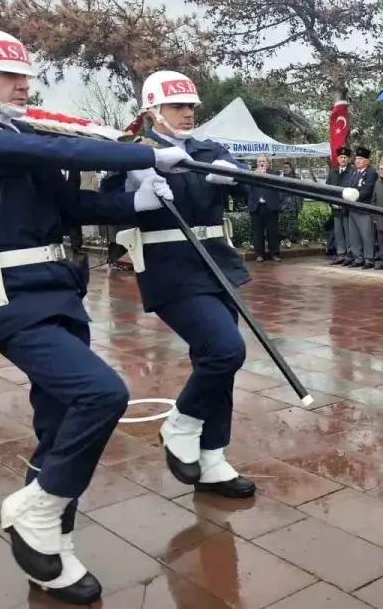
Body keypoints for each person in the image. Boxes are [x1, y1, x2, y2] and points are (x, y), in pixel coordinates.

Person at [0, 28, 189, 604]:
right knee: (99, 394)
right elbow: (55, 150)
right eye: (8, 76)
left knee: (57, 426)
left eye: (25, 75)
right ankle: (33, 513)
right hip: (10, 296)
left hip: (57, 287)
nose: (23, 85)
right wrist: (145, 151)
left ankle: (50, 548)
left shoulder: (14, 136)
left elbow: (72, 205)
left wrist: (137, 203)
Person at [107, 70, 256, 502]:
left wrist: (237, 177)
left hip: (216, 264)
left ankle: (213, 457)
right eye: (177, 107)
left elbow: (248, 192)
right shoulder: (135, 153)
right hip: (170, 267)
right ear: (152, 110)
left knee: (218, 364)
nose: (188, 113)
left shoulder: (209, 150)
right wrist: (134, 191)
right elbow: (109, 207)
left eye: (191, 106)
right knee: (226, 350)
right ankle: (181, 424)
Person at [247, 155, 282, 262]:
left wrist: (264, 174)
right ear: (256, 163)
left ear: (267, 163)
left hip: (270, 206)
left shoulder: (274, 173)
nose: (261, 163)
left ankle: (274, 254)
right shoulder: (251, 174)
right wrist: (256, 175)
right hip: (256, 206)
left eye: (263, 161)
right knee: (257, 232)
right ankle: (259, 254)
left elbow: (276, 184)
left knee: (273, 231)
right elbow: (248, 187)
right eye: (259, 161)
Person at [347, 147, 378, 268]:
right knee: (354, 235)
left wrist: (354, 197)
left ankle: (369, 258)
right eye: (357, 158)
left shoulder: (371, 173)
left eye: (361, 159)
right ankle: (358, 257)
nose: (358, 161)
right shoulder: (354, 172)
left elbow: (368, 189)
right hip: (352, 207)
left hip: (364, 208)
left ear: (367, 161)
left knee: (366, 235)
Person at [326, 147, 353, 264]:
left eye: (345, 157)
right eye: (341, 157)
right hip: (335, 208)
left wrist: (345, 203)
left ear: (348, 159)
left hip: (347, 208)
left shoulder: (352, 172)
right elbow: (327, 189)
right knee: (338, 232)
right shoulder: (333, 171)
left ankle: (349, 255)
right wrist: (332, 202)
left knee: (348, 232)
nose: (343, 159)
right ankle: (341, 254)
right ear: (337, 158)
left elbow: (353, 190)